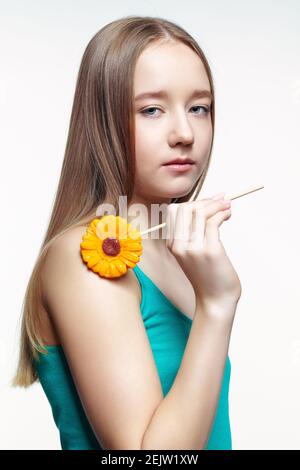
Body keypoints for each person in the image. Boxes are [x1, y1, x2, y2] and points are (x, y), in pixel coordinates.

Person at [11, 15, 242, 450]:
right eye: (151, 109)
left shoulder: (177, 251)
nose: (185, 133)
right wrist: (216, 305)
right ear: (101, 120)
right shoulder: (85, 256)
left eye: (199, 107)